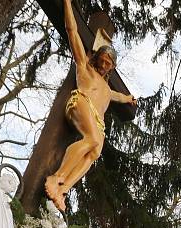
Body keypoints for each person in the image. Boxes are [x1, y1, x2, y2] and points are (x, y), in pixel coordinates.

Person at [44, 0, 137, 211]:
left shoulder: (107, 88)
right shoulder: (85, 67)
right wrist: (67, 4)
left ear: (112, 67)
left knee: (94, 152)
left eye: (108, 63)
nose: (104, 65)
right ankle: (55, 177)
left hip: (97, 120)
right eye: (102, 60)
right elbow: (72, 31)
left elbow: (119, 97)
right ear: (97, 57)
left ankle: (63, 188)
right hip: (81, 102)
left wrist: (129, 99)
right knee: (92, 139)